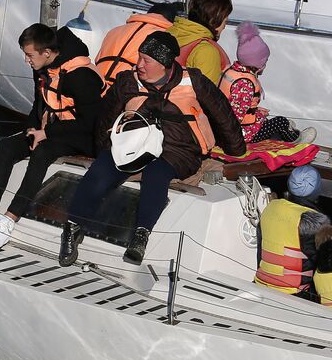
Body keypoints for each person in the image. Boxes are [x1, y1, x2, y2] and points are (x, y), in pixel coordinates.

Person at [59, 30, 245, 267]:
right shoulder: (128, 82)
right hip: (135, 145)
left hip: (178, 149)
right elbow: (105, 120)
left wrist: (237, 151)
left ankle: (140, 235)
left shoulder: (194, 81)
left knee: (157, 173)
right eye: (139, 58)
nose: (140, 65)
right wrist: (106, 151)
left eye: (146, 60)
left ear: (165, 65)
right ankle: (73, 226)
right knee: (101, 170)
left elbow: (223, 115)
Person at [0, 23, 102, 248]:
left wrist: (46, 133)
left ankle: (9, 219)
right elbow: (38, 105)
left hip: (84, 135)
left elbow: (90, 123)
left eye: (29, 55)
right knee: (6, 146)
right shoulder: (41, 69)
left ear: (47, 53)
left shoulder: (80, 77)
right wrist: (32, 130)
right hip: (53, 129)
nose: (26, 60)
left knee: (42, 152)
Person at [219, 21, 316, 145]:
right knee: (279, 122)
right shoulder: (245, 84)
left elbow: (234, 105)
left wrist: (256, 112)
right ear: (257, 64)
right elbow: (236, 116)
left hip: (227, 130)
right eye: (265, 62)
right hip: (240, 135)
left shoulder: (232, 72)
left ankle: (286, 129)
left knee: (270, 119)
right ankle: (295, 139)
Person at [254, 165, 330, 298]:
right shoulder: (314, 221)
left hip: (262, 283)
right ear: (317, 190)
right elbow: (323, 265)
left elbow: (260, 250)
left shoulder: (271, 208)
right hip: (296, 293)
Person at [93, 2, 181, 85]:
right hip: (124, 87)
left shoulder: (115, 30)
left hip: (96, 82)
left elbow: (98, 59)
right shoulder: (162, 37)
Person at [168, 0, 233, 82]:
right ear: (213, 20)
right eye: (225, 22)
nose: (224, 27)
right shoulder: (207, 52)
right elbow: (207, 93)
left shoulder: (170, 33)